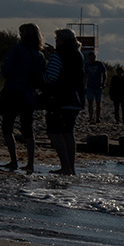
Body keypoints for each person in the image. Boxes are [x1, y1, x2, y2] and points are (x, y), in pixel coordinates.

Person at [0, 22, 44, 172]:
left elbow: (6, 70)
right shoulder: (40, 55)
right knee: (28, 130)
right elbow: (40, 78)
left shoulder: (17, 50)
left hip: (13, 92)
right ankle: (30, 163)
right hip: (29, 95)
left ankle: (14, 160)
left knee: (7, 127)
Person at [41, 28, 85, 175]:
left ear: (61, 40)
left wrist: (40, 80)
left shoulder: (59, 54)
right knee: (68, 133)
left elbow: (51, 77)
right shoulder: (77, 54)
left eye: (57, 38)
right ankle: (71, 168)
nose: (56, 40)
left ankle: (65, 166)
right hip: (76, 99)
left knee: (54, 132)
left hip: (60, 98)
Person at [83, 56, 105, 123]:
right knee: (90, 102)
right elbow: (85, 75)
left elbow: (104, 73)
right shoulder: (87, 65)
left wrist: (104, 83)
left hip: (98, 86)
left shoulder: (99, 64)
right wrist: (84, 84)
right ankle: (91, 117)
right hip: (90, 86)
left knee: (98, 103)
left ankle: (97, 118)